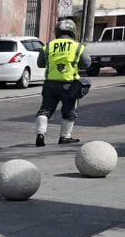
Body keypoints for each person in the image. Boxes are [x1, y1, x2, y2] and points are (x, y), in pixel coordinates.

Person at [35, 18, 88, 147]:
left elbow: (40, 63)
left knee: (45, 110)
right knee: (69, 111)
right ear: (73, 32)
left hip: (50, 84)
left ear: (57, 31)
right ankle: (65, 137)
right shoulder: (78, 47)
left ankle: (40, 134)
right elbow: (87, 63)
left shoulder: (48, 46)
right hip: (69, 84)